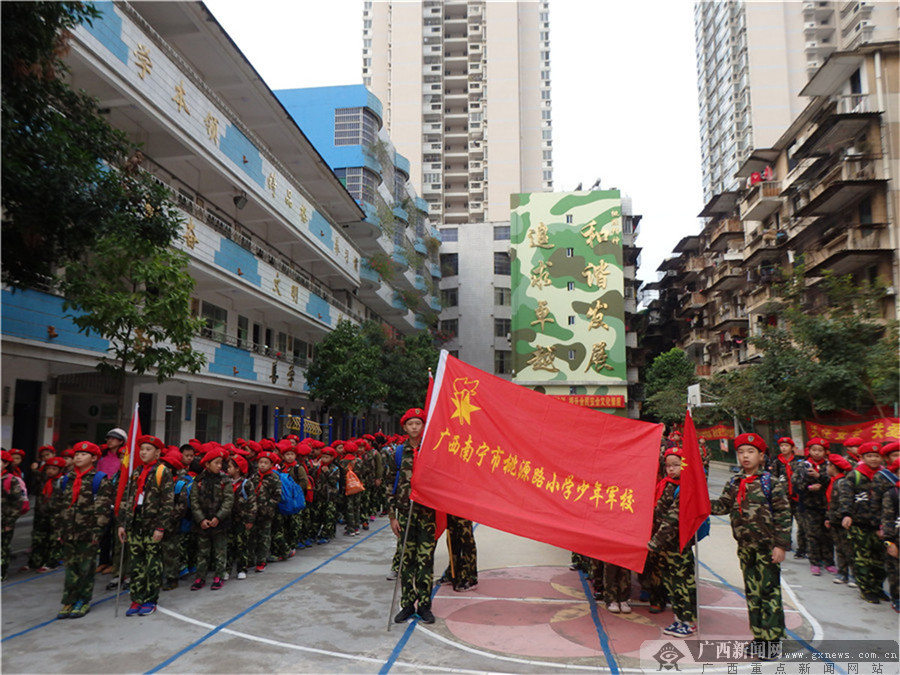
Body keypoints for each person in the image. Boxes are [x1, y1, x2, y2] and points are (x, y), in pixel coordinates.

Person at [710, 433, 790, 652]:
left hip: (767, 548)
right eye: (741, 452)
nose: (745, 456)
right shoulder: (735, 482)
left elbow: (784, 514)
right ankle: (758, 636)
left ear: (761, 456)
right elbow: (723, 506)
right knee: (752, 593)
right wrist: (699, 501)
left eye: (751, 452)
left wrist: (781, 545)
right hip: (745, 548)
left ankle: (772, 641)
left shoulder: (770, 483)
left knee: (769, 594)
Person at [55, 441, 115, 619]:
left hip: (88, 532)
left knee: (86, 567)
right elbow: (61, 506)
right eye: (76, 454)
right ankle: (69, 599)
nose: (78, 457)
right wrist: (60, 530)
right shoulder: (66, 479)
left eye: (83, 454)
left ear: (94, 458)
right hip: (69, 530)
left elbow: (103, 509)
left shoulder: (99, 480)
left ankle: (83, 600)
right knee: (70, 567)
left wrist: (97, 533)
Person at [117, 435, 174, 617]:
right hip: (136, 524)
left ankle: (150, 599)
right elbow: (129, 498)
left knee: (152, 564)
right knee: (136, 563)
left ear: (157, 452)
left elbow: (167, 502)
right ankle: (136, 598)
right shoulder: (136, 472)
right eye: (142, 449)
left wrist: (160, 527)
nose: (143, 452)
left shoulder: (162, 471)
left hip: (152, 524)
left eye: (148, 449)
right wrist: (122, 524)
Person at [390, 407, 437, 624]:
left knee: (425, 560)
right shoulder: (398, 452)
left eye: (419, 423)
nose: (415, 427)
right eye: (411, 424)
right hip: (405, 515)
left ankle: (425, 605)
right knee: (406, 562)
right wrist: (392, 515)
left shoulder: (432, 451)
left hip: (427, 514)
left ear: (424, 426)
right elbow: (390, 486)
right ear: (405, 427)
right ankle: (408, 604)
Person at [648, 448, 698, 637]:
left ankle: (688, 621)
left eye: (676, 465)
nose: (671, 469)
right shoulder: (666, 484)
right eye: (668, 465)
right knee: (670, 581)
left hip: (678, 545)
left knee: (682, 582)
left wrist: (655, 542)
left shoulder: (685, 487)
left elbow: (672, 519)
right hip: (665, 546)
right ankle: (679, 619)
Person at [838, 441, 887, 604]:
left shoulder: (886, 475)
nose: (873, 459)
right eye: (869, 456)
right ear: (862, 457)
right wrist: (846, 514)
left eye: (876, 456)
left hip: (880, 525)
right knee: (862, 559)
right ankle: (866, 589)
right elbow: (846, 496)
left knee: (880, 559)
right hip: (860, 524)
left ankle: (877, 588)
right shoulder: (855, 475)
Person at [190, 446, 233, 591]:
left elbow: (228, 501)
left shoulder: (224, 480)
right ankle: (200, 577)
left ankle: (219, 576)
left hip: (220, 522)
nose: (219, 466)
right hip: (202, 522)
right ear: (207, 464)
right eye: (216, 463)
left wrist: (218, 517)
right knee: (202, 552)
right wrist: (201, 519)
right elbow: (194, 500)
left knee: (220, 551)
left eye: (221, 463)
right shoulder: (199, 480)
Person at [792, 438, 833, 576]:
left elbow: (835, 481)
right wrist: (808, 488)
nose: (817, 453)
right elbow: (795, 483)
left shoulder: (829, 465)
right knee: (812, 534)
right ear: (808, 451)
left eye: (820, 450)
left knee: (827, 535)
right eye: (814, 450)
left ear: (825, 452)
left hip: (826, 506)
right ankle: (814, 562)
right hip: (809, 505)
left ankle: (829, 561)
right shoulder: (802, 465)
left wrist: (820, 477)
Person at [26, 456, 66, 573]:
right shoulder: (43, 479)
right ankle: (35, 562)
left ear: (60, 470)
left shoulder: (63, 481)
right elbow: (37, 475)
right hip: (41, 513)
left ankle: (51, 562)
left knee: (54, 540)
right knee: (38, 538)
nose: (50, 471)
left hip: (56, 516)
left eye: (54, 469)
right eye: (48, 468)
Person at [96, 428, 126, 574]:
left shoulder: (123, 458)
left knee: (116, 532)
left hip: (118, 498)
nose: (109, 441)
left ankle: (115, 563)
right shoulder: (102, 458)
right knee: (104, 531)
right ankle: (103, 561)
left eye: (113, 439)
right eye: (108, 438)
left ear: (121, 441)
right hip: (103, 498)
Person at [824, 454, 854, 585]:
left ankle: (854, 575)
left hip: (842, 521)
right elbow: (830, 502)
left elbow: (845, 502)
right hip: (834, 520)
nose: (826, 468)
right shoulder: (833, 481)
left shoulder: (842, 483)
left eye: (828, 465)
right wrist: (828, 518)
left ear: (833, 467)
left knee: (848, 548)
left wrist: (844, 516)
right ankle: (842, 573)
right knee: (839, 548)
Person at [250, 450, 282, 573]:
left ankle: (261, 560)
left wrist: (268, 507)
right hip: (254, 512)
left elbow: (277, 496)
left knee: (264, 537)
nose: (262, 465)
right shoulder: (254, 476)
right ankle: (251, 559)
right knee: (252, 536)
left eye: (266, 463)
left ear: (271, 465)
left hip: (267, 513)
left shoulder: (274, 478)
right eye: (260, 462)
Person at [226, 454, 256, 580]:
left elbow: (252, 503)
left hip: (242, 521)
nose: (227, 469)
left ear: (237, 469)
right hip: (228, 520)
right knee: (228, 545)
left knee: (242, 544)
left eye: (230, 467)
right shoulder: (226, 483)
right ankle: (226, 569)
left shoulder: (246, 484)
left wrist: (250, 519)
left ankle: (242, 568)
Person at [1, 450, 26, 580]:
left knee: (3, 549)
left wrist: (10, 522)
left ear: (5, 464)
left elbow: (18, 503)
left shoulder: (11, 480)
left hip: (4, 520)